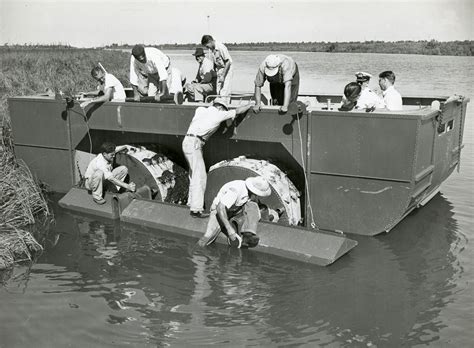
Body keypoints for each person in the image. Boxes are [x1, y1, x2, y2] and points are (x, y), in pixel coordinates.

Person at [182, 99, 254, 218]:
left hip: (187, 141)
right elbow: (237, 111)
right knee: (200, 176)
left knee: (193, 173)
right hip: (196, 143)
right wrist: (249, 105)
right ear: (221, 108)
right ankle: (196, 210)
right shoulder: (218, 114)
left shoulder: (200, 110)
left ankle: (191, 202)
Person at [197, 176, 272, 248]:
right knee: (208, 237)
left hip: (236, 209)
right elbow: (220, 208)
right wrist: (229, 229)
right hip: (219, 211)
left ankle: (248, 235)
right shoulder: (235, 190)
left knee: (253, 206)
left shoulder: (251, 194)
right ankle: (197, 253)